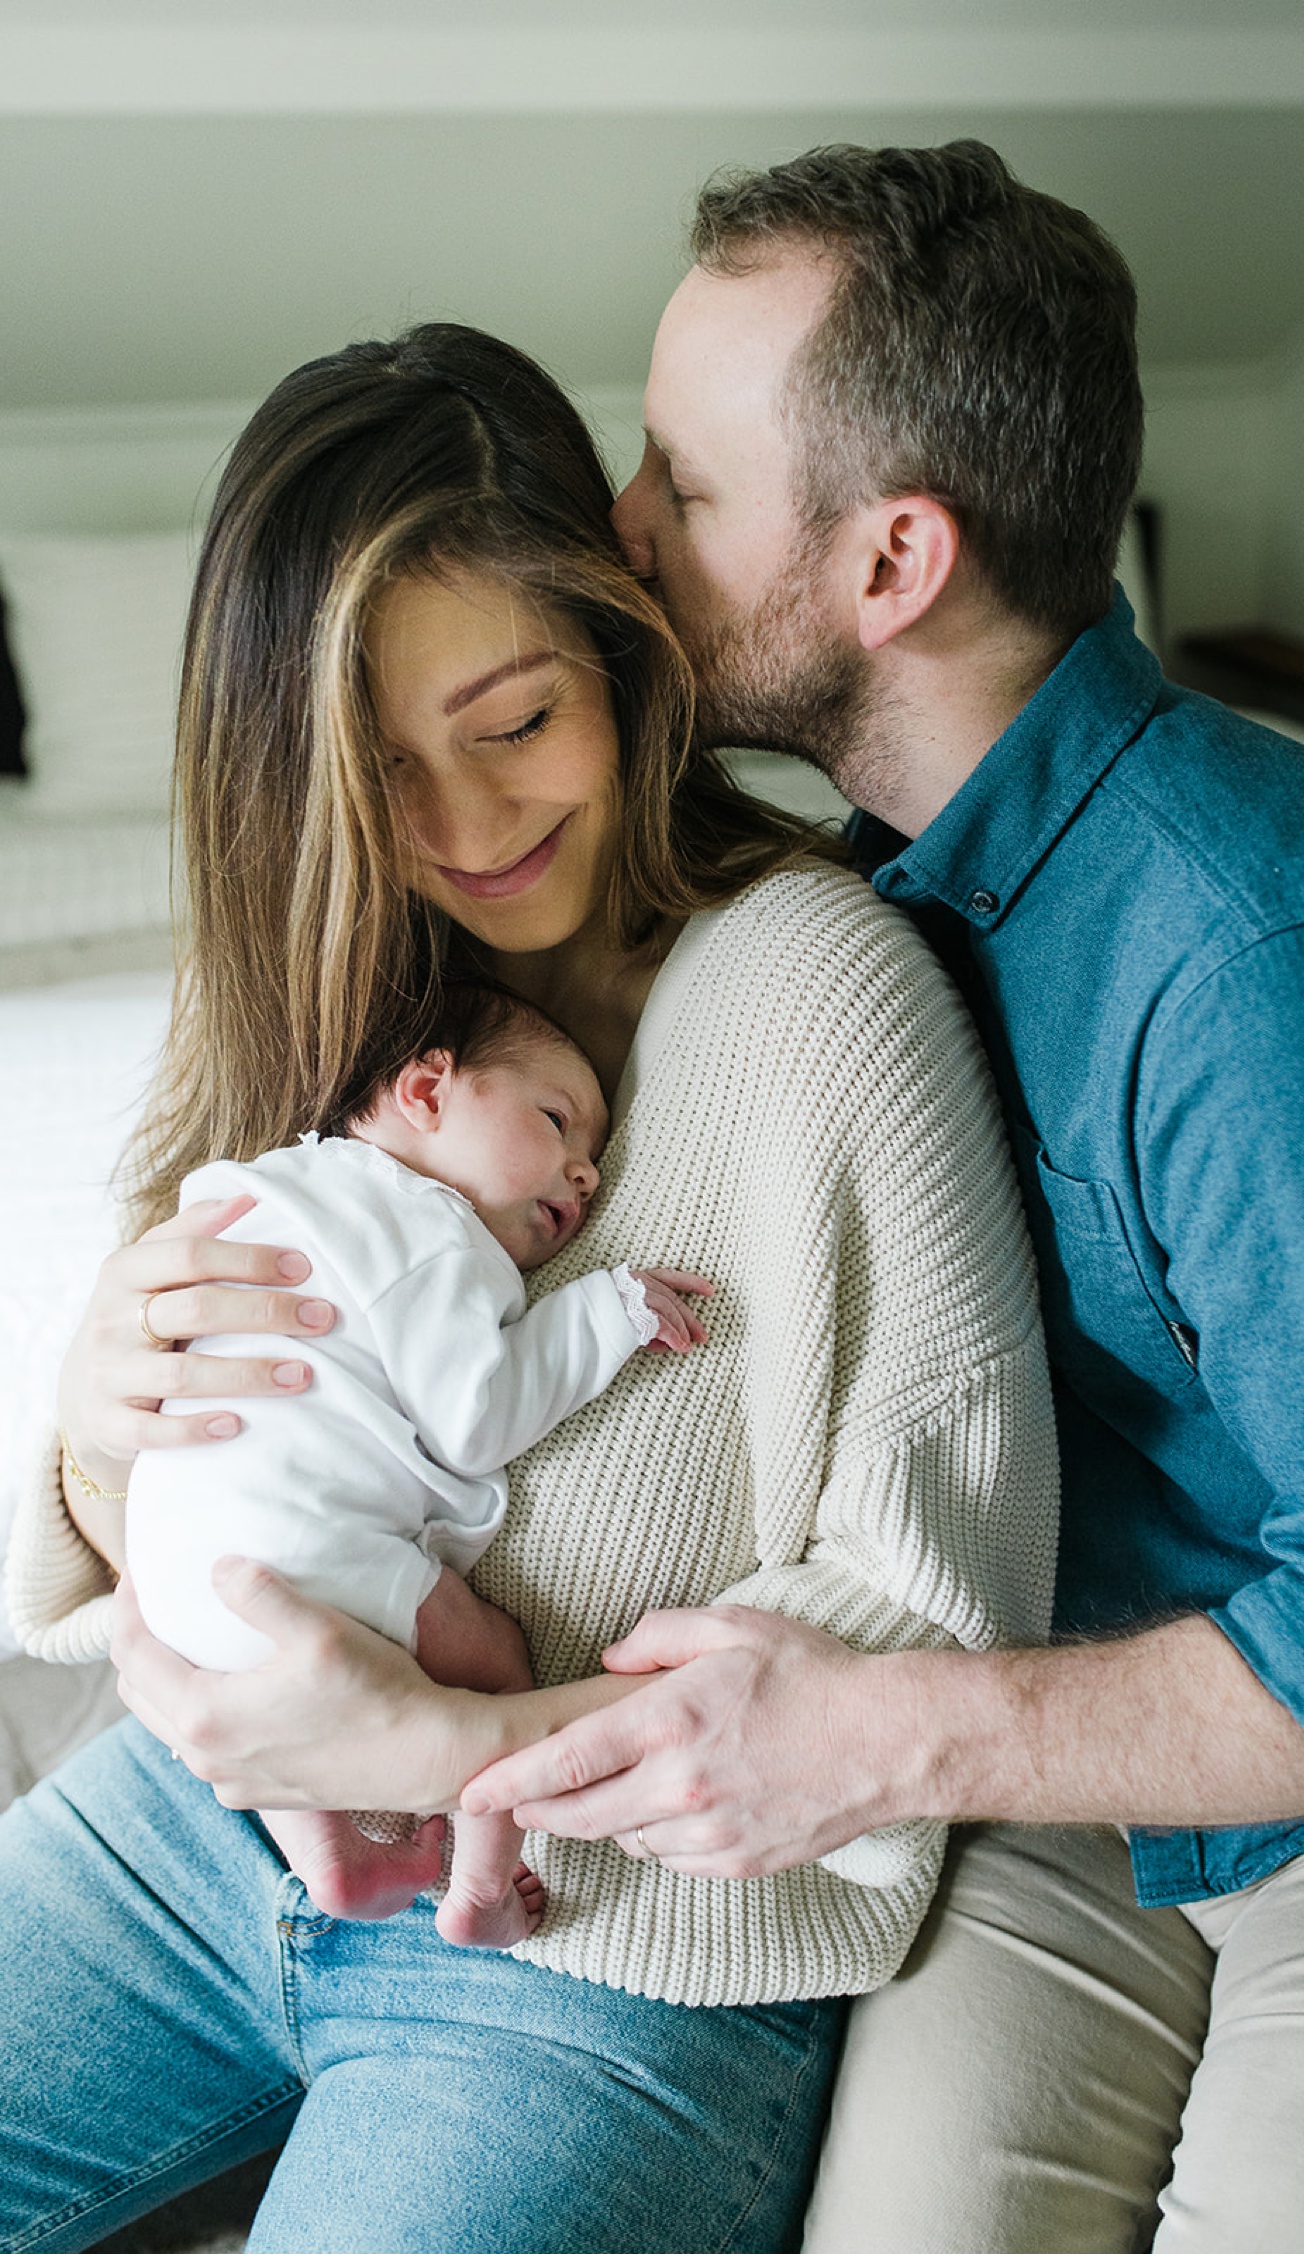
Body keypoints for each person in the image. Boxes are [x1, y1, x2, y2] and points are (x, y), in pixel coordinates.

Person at [437, 143, 1304, 2249]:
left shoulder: (1268, 961)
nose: (617, 534)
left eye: (682, 483)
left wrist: (884, 1727)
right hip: (1053, 1764)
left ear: (895, 558)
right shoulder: (832, 896)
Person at [0, 320, 1058, 2254]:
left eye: (512, 724)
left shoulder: (822, 991)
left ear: (617, 657)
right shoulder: (344, 994)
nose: (470, 830)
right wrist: (88, 1429)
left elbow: (926, 1593)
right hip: (194, 1825)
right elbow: (147, 1511)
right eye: (384, 774)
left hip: (601, 1937)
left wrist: (460, 1748)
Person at [128, 976, 712, 1947]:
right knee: (497, 1663)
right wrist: (605, 1312)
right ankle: (483, 1884)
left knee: (263, 1681)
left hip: (172, 1567)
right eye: (557, 1120)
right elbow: (473, 1417)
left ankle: (334, 1854)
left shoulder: (287, 1188)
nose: (586, 1175)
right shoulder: (423, 1226)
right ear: (427, 1093)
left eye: (592, 1158)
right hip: (290, 1551)